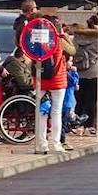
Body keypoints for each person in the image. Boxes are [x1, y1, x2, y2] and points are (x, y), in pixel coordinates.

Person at [35, 16, 76, 154]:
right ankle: (56, 144)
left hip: (41, 80)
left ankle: (41, 144)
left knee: (41, 113)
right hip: (58, 80)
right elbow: (73, 51)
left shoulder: (37, 40)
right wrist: (65, 36)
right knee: (56, 112)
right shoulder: (59, 41)